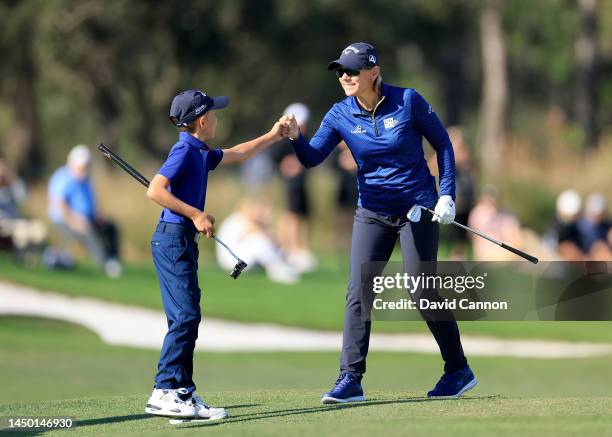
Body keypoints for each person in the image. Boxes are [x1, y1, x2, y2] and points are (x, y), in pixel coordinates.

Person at [283, 42, 475, 403]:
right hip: (371, 211)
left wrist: (447, 193)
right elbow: (311, 158)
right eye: (341, 71)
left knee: (421, 290)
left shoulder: (409, 101)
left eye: (352, 71)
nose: (345, 76)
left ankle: (457, 369)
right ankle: (350, 378)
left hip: (417, 209)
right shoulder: (340, 113)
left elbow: (444, 144)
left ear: (373, 72)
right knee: (359, 291)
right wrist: (296, 138)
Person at [144, 89, 289, 419]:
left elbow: (238, 153)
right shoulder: (183, 150)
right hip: (171, 241)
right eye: (214, 113)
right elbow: (155, 189)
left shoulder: (200, 151)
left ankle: (182, 392)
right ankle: (163, 390)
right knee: (185, 316)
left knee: (188, 315)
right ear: (202, 120)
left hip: (181, 242)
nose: (218, 117)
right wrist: (196, 214)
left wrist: (272, 135)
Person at [47, 145, 121, 277]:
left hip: (86, 218)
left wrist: (99, 216)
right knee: (89, 232)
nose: (83, 169)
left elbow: (91, 204)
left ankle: (113, 260)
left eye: (86, 166)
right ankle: (104, 266)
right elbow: (60, 205)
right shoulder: (62, 177)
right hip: (66, 220)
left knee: (111, 227)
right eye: (81, 167)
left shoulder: (85, 180)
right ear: (71, 163)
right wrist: (75, 220)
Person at [274, 103, 317, 273]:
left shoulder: (303, 138)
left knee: (302, 215)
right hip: (291, 184)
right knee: (291, 214)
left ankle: (299, 249)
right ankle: (289, 249)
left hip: (301, 183)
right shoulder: (284, 141)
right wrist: (288, 166)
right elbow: (277, 159)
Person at [216, 198, 300, 284]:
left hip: (232, 264)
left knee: (259, 240)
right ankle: (277, 270)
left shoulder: (236, 219)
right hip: (233, 265)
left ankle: (280, 265)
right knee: (258, 241)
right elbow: (262, 234)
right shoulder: (240, 219)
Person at [467, 185, 523, 261]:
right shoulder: (478, 213)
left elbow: (513, 236)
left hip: (496, 251)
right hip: (489, 253)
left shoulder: (502, 214)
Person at [577, 193, 611, 260]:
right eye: (594, 214)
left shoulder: (607, 225)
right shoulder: (580, 226)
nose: (597, 217)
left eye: (599, 214)